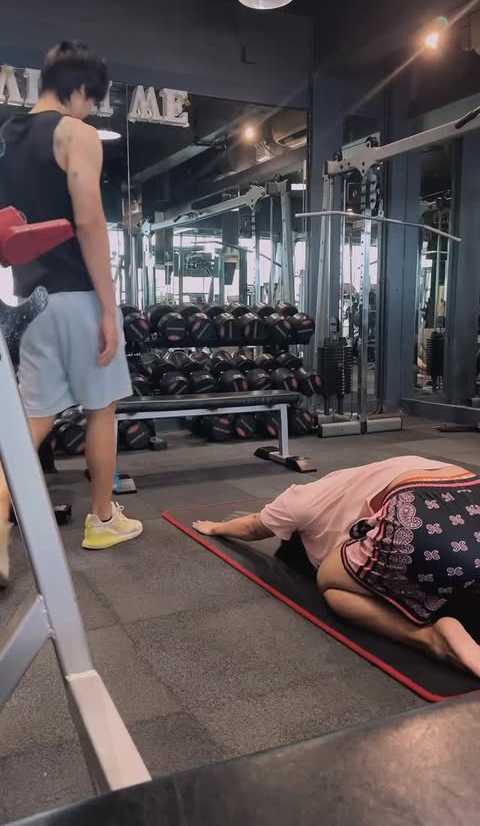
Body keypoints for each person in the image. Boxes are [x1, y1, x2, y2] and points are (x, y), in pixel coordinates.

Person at [0, 41, 142, 587]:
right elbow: (88, 223)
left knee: (31, 422)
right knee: (101, 407)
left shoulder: (7, 138)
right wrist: (108, 307)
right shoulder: (75, 134)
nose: (90, 110)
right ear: (80, 90)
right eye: (92, 101)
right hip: (77, 295)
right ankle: (103, 519)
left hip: (30, 301)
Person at [193, 455, 480, 678]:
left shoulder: (301, 497)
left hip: (417, 513)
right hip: (470, 488)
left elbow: (254, 526)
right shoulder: (373, 470)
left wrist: (216, 528)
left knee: (330, 583)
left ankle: (429, 638)